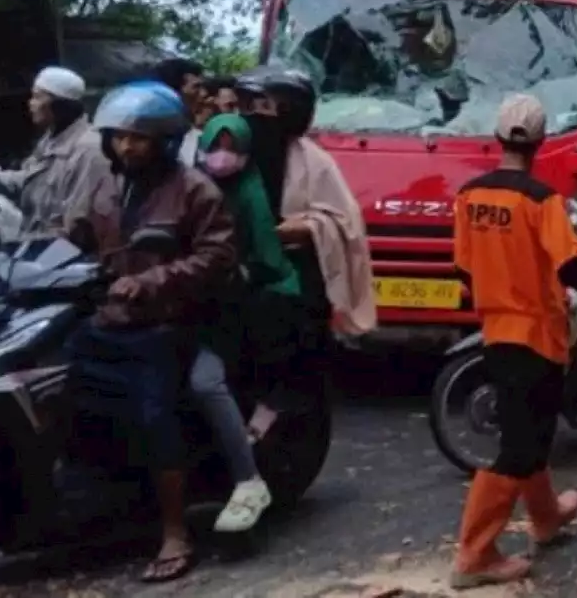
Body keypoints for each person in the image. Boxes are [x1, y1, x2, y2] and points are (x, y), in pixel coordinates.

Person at [64, 81, 236, 582]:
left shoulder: (195, 189)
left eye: (138, 138)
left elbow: (218, 256)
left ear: (164, 140)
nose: (126, 146)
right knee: (60, 390)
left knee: (155, 413)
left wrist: (152, 280)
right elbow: (83, 234)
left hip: (166, 323)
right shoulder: (111, 184)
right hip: (108, 318)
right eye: (119, 137)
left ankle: (175, 530)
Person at [449, 93, 577, 588]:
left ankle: (547, 517)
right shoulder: (542, 201)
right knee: (519, 445)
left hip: (496, 331)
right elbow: (574, 268)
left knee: (531, 431)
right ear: (540, 142)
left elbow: (464, 268)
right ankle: (474, 554)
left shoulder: (470, 197)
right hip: (537, 333)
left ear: (497, 137)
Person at [232, 65, 375, 432]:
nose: (249, 115)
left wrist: (308, 227)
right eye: (245, 105)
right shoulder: (232, 154)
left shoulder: (315, 163)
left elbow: (344, 222)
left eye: (260, 105)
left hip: (295, 286)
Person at [191, 113, 306, 534]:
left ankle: (248, 471)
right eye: (215, 145)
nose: (221, 156)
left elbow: (266, 258)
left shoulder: (252, 192)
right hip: (194, 287)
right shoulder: (185, 185)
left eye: (231, 147)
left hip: (256, 290)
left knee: (207, 379)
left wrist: (238, 272)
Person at [0, 66, 110, 237]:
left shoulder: (88, 151)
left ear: (59, 106)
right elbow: (29, 180)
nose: (30, 103)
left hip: (58, 254)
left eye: (37, 97)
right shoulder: (51, 139)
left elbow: (76, 227)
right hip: (32, 242)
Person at [151, 58, 206, 166]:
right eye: (196, 87)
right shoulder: (141, 135)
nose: (203, 94)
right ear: (172, 93)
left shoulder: (195, 135)